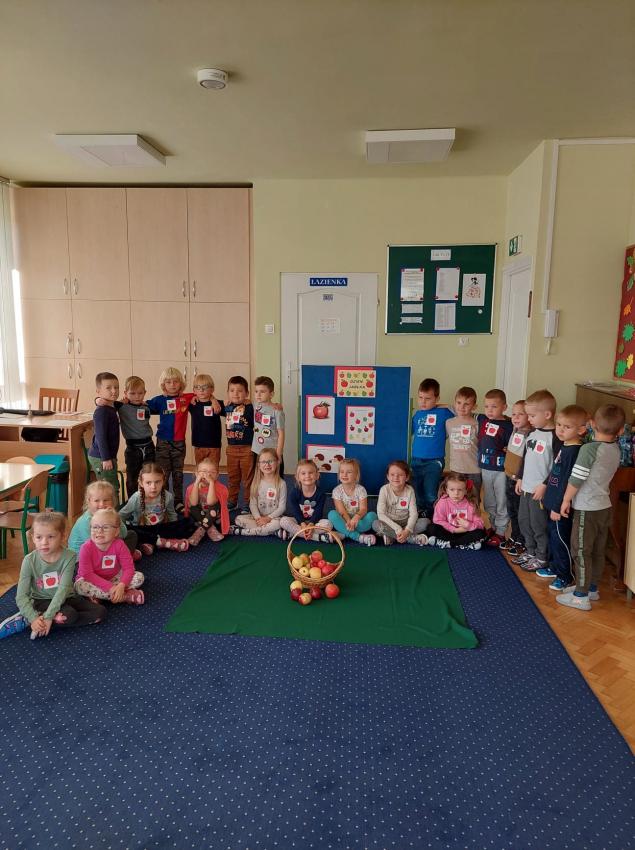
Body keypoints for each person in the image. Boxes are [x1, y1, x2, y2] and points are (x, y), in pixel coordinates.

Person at [556, 404, 625, 611]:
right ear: (621, 431)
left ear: (592, 424)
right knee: (596, 550)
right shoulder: (615, 449)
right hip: (604, 507)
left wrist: (566, 500)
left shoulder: (589, 449)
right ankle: (591, 587)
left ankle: (580, 595)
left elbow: (576, 479)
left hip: (587, 508)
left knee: (581, 551)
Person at [0, 512, 105, 639]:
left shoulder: (70, 556)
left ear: (62, 536)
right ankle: (28, 619)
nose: (44, 542)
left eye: (50, 537)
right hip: (42, 600)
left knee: (100, 612)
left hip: (66, 596)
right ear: (33, 537)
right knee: (70, 615)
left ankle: (42, 620)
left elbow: (63, 590)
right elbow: (21, 596)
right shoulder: (29, 560)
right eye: (39, 537)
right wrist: (33, 617)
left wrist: (49, 617)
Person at [539, 405, 588, 590]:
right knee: (552, 538)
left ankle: (565, 576)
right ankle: (554, 567)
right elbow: (555, 474)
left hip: (560, 507)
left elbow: (567, 482)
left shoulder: (575, 451)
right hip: (552, 502)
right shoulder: (564, 445)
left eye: (567, 427)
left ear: (581, 430)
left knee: (560, 540)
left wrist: (557, 506)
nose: (560, 430)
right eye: (558, 425)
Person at [513, 389, 559, 572]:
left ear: (547, 414)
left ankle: (541, 556)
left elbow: (558, 466)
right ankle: (530, 550)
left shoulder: (555, 437)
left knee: (538, 524)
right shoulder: (532, 434)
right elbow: (525, 458)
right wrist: (520, 478)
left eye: (532, 415)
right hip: (525, 487)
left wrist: (545, 484)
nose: (529, 419)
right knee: (524, 521)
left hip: (539, 491)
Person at [146, 367, 195, 511]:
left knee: (178, 474)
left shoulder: (186, 398)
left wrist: (214, 400)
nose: (172, 385)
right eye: (168, 382)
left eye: (175, 381)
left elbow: (204, 394)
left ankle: (178, 501)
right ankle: (164, 501)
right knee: (163, 474)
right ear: (163, 384)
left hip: (179, 443)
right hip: (163, 442)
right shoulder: (159, 400)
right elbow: (140, 403)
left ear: (181, 383)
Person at [119, 463, 194, 553]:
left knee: (188, 523)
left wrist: (174, 529)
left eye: (157, 482)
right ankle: (163, 542)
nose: (153, 487)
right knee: (133, 532)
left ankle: (152, 543)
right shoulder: (136, 498)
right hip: (142, 529)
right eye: (148, 483)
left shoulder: (168, 496)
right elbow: (121, 515)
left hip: (159, 528)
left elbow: (172, 515)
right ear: (141, 483)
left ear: (163, 481)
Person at [75, 508, 145, 605]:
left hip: (114, 577)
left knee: (139, 577)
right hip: (92, 580)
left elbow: (129, 568)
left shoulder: (120, 545)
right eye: (95, 527)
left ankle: (100, 596)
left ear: (116, 531)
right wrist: (110, 587)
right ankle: (125, 596)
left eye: (105, 527)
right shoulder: (85, 548)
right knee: (80, 586)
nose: (99, 531)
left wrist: (122, 585)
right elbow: (87, 574)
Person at [410, 378, 453, 517]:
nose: (423, 402)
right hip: (416, 460)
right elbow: (408, 432)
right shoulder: (417, 415)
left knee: (430, 493)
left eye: (428, 398)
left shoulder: (444, 413)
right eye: (420, 397)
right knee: (417, 492)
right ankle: (421, 514)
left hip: (434, 461)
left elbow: (460, 411)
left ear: (437, 398)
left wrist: (442, 405)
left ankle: (434, 516)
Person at [477, 388, 513, 546]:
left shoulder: (509, 426)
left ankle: (501, 532)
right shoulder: (483, 420)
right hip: (486, 468)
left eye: (494, 407)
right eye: (487, 406)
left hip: (501, 471)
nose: (489, 410)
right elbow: (458, 409)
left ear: (504, 407)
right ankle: (492, 526)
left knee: (501, 500)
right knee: (489, 501)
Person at [68, 480, 140, 560]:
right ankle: (122, 558)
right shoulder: (86, 521)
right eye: (97, 500)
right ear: (89, 502)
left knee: (131, 535)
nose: (102, 504)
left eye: (106, 500)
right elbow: (96, 546)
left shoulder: (110, 516)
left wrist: (116, 518)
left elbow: (124, 533)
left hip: (105, 547)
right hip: (84, 559)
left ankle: (121, 558)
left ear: (112, 501)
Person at [231, 448, 287, 537]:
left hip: (274, 518)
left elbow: (282, 507)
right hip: (258, 517)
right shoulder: (256, 482)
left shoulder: (281, 483)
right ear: (258, 465)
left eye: (270, 461)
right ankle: (272, 531)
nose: (267, 464)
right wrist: (258, 518)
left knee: (279, 523)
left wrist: (268, 518)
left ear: (277, 462)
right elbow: (252, 504)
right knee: (238, 519)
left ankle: (243, 532)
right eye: (263, 462)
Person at [372, 460, 429, 546]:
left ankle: (393, 537)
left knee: (426, 522)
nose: (396, 477)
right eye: (392, 474)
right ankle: (410, 538)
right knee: (375, 524)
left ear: (407, 477)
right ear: (387, 476)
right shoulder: (384, 490)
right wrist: (398, 529)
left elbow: (414, 514)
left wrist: (407, 530)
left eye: (400, 475)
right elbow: (381, 514)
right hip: (390, 524)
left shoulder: (410, 490)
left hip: (406, 523)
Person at [500, 400, 531, 555]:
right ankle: (514, 536)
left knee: (520, 512)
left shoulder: (530, 434)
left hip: (518, 479)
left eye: (520, 414)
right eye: (513, 414)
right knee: (511, 510)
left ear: (530, 416)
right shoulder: (515, 428)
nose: (516, 417)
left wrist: (520, 476)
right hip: (508, 476)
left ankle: (522, 540)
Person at [118, 376, 155, 502]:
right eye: (132, 393)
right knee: (132, 477)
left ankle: (149, 500)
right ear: (125, 393)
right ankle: (133, 502)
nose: (137, 396)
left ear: (145, 393)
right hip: (133, 449)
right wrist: (98, 400)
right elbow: (103, 402)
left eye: (140, 393)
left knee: (149, 475)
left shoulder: (146, 406)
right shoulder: (121, 406)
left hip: (149, 446)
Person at [426, 472, 486, 549]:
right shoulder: (443, 502)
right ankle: (464, 544)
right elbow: (437, 520)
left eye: (460, 490)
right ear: (447, 490)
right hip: (449, 532)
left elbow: (480, 524)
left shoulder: (470, 503)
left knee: (481, 532)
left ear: (465, 491)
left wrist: (468, 525)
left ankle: (450, 543)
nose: (456, 493)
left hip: (465, 532)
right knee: (431, 528)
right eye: (452, 490)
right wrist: (454, 529)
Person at [279, 458, 333, 542]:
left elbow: (318, 512)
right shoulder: (294, 493)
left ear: (317, 475)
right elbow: (295, 511)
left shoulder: (321, 493)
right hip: (298, 522)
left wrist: (311, 524)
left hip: (314, 522)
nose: (307, 476)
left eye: (310, 473)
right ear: (297, 477)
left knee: (328, 524)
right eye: (303, 473)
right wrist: (302, 524)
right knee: (283, 521)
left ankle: (293, 534)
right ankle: (318, 537)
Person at [88, 371, 121, 505]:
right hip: (102, 457)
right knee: (110, 489)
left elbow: (120, 404)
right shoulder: (102, 411)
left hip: (106, 456)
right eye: (108, 388)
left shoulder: (110, 405)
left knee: (112, 486)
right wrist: (106, 458)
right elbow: (101, 437)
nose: (114, 391)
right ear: (98, 391)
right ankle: (111, 515)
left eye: (116, 387)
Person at [327, 458, 377, 546]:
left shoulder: (361, 490)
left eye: (349, 472)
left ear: (356, 475)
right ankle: (358, 537)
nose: (344, 475)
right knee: (332, 514)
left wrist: (356, 518)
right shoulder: (336, 491)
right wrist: (349, 522)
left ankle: (344, 533)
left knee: (373, 515)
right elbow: (341, 511)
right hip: (343, 520)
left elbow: (363, 509)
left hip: (358, 521)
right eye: (342, 472)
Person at [224, 376, 255, 510]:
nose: (236, 394)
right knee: (233, 477)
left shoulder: (250, 407)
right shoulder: (226, 407)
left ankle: (248, 502)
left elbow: (264, 406)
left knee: (248, 478)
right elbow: (209, 400)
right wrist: (213, 400)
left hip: (247, 449)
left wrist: (276, 405)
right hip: (231, 449)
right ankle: (232, 500)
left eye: (240, 391)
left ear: (247, 393)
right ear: (228, 393)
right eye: (232, 390)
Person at [184, 457, 230, 544]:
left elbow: (210, 502)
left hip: (214, 517)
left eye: (212, 472)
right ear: (197, 473)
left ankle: (199, 532)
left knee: (214, 505)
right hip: (199, 516)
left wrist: (211, 483)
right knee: (192, 506)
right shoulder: (191, 487)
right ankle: (210, 528)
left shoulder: (221, 488)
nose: (208, 475)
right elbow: (193, 503)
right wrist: (196, 483)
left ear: (217, 475)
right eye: (204, 471)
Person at [446, 386, 481, 492]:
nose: (462, 407)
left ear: (474, 406)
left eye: (466, 404)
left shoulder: (478, 424)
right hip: (456, 469)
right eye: (459, 403)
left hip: (474, 470)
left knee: (473, 497)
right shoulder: (449, 423)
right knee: (456, 497)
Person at [252, 376, 285, 478]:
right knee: (259, 478)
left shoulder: (277, 411)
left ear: (271, 394)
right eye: (256, 391)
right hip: (257, 451)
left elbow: (281, 434)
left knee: (275, 478)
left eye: (262, 391)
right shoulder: (255, 406)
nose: (258, 394)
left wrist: (278, 453)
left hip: (272, 452)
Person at [189, 374, 225, 467]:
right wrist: (192, 396)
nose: (201, 390)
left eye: (205, 387)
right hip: (198, 445)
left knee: (213, 469)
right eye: (198, 387)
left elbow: (233, 407)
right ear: (194, 390)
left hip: (214, 445)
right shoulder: (192, 404)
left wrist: (213, 399)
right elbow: (179, 396)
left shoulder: (217, 404)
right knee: (200, 469)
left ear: (212, 389)